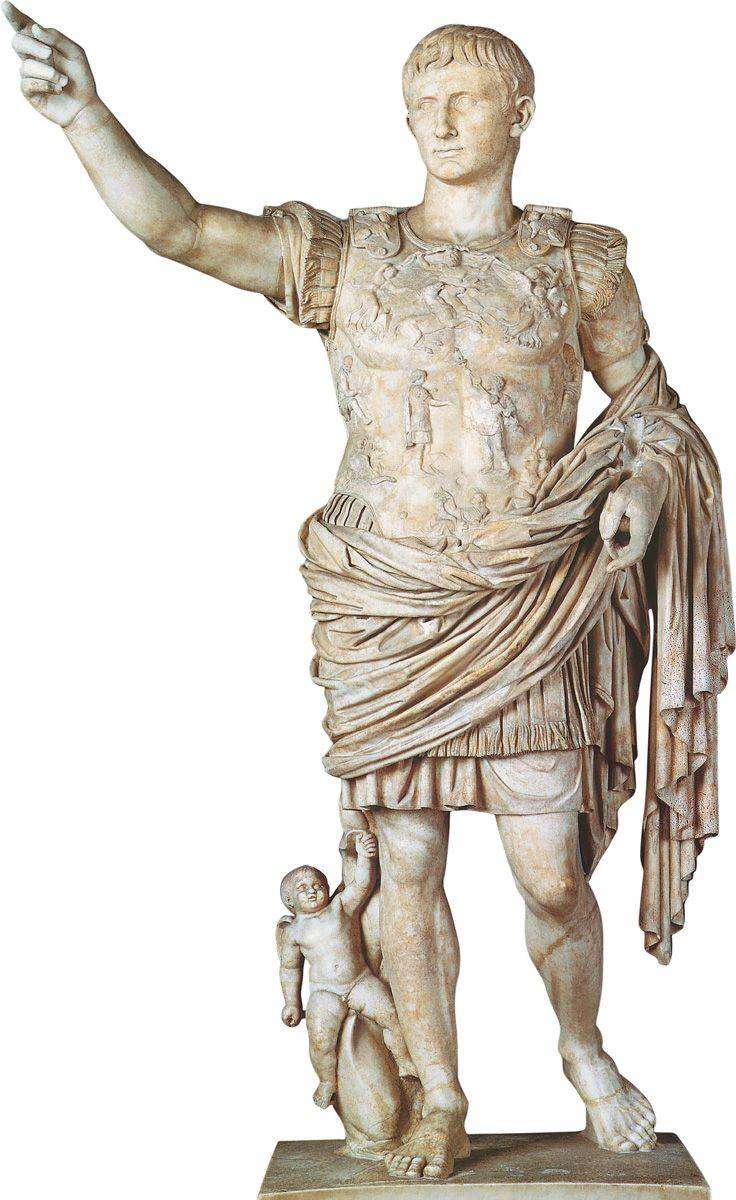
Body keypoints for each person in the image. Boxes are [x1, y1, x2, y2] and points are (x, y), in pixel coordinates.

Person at [4, 12, 732, 1182]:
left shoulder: (577, 262)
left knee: (549, 872)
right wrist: (85, 115)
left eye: (466, 98)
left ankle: (582, 1047)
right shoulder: (350, 257)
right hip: (387, 602)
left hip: (527, 597)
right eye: (420, 100)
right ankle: (441, 1095)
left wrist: (641, 491)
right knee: (406, 867)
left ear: (521, 114)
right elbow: (182, 229)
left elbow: (652, 413)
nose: (439, 119)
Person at [277, 835, 415, 1109]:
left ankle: (405, 1062)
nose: (312, 891)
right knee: (320, 1039)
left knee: (392, 1016)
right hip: (325, 992)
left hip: (359, 981)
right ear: (290, 900)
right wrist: (292, 1002)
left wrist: (364, 856)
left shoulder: (340, 906)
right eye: (303, 889)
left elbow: (362, 885)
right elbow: (290, 968)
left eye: (318, 885)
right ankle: (327, 1080)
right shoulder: (294, 932)